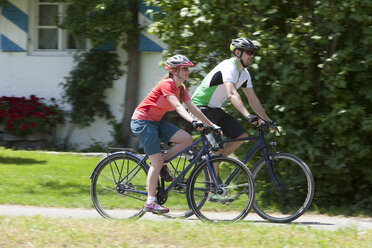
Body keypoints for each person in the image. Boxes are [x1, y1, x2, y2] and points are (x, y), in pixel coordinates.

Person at [131, 54, 220, 214]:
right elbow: (178, 107)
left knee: (185, 139)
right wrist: (193, 122)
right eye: (184, 68)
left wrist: (211, 124)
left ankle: (161, 164)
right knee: (156, 163)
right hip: (142, 121)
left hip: (156, 122)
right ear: (174, 71)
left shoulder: (181, 88)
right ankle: (150, 201)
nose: (188, 71)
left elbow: (193, 108)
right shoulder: (167, 84)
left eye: (187, 68)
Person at [192, 37, 271, 157]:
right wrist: (248, 115)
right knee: (216, 148)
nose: (252, 55)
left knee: (242, 136)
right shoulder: (229, 66)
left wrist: (267, 120)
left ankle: (210, 164)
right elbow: (232, 94)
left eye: (252, 52)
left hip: (215, 109)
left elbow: (253, 100)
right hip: (200, 108)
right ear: (238, 52)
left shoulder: (244, 73)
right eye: (249, 52)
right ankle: (212, 171)